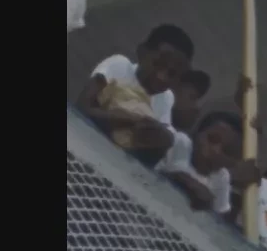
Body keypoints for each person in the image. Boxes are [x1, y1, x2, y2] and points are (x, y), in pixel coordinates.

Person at [76, 24, 194, 164]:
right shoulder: (120, 66)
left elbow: (166, 139)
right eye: (158, 64)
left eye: (172, 74)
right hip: (81, 146)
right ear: (142, 52)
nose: (162, 77)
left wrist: (161, 135)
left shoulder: (166, 98)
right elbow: (80, 108)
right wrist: (128, 119)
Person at [155, 111, 254, 214]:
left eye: (227, 151)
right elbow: (177, 175)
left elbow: (218, 217)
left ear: (234, 161)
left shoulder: (222, 177)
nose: (216, 151)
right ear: (197, 133)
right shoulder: (181, 142)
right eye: (212, 139)